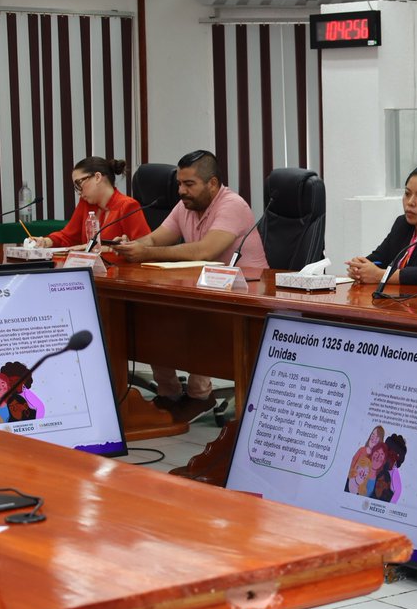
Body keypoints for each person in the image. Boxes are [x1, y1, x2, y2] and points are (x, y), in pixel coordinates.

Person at [114, 150, 267, 417]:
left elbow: (204, 252)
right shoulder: (185, 205)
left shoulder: (232, 205)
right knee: (151, 314)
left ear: (212, 183)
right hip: (204, 289)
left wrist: (147, 253)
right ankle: (168, 393)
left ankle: (200, 395)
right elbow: (154, 240)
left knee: (196, 319)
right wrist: (130, 246)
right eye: (179, 184)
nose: (181, 191)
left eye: (189, 184)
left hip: (246, 295)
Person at [29, 156, 150, 249]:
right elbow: (68, 237)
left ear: (97, 177)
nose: (78, 191)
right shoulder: (85, 203)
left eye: (79, 183)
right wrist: (44, 242)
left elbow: (143, 248)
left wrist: (93, 249)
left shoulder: (128, 206)